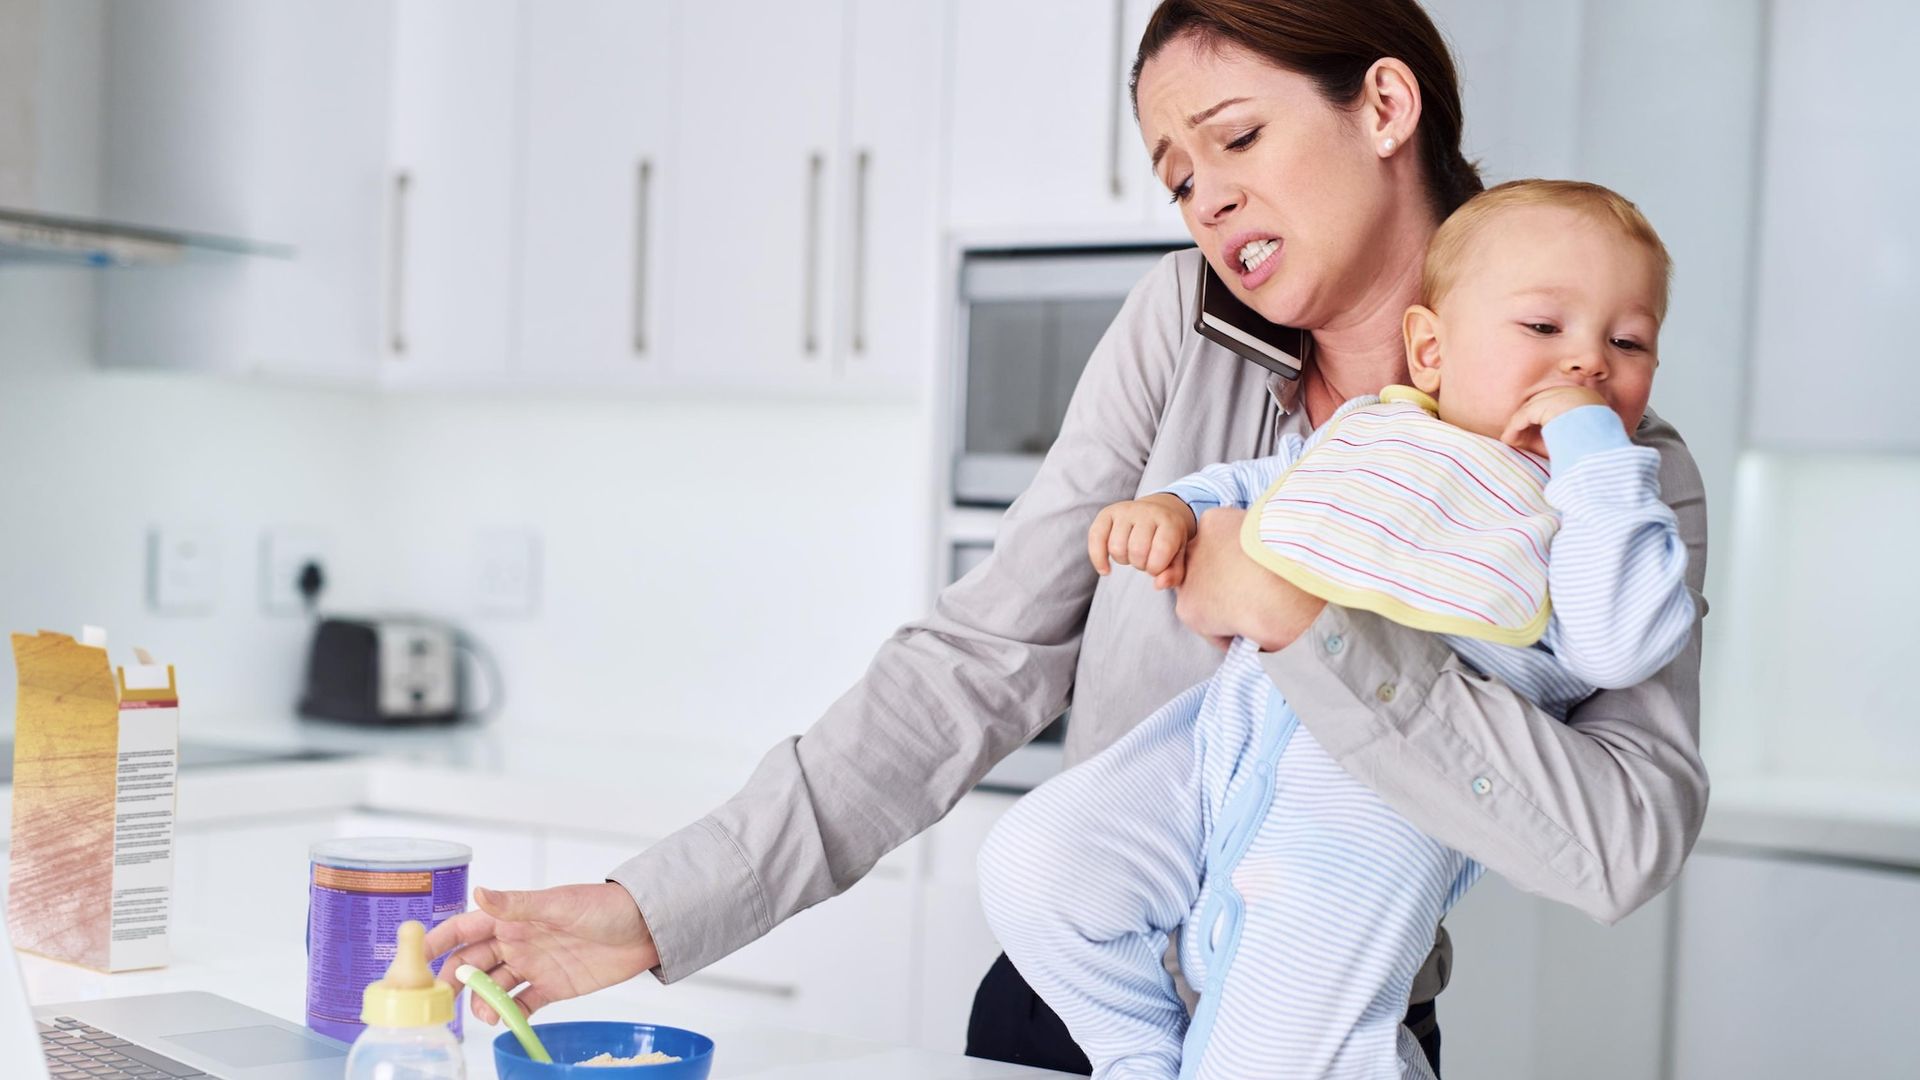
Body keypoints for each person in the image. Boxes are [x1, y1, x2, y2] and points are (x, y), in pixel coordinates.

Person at [423, 2, 1710, 1074]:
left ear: (1384, 107)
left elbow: (1620, 841)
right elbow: (976, 663)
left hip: (1326, 1026)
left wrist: (1307, 626)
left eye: (1238, 138)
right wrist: (659, 909)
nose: (1209, 202)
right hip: (1067, 1011)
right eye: (1181, 176)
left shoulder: (1616, 479)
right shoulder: (1183, 326)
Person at [976, 179, 1694, 1080]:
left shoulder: (1602, 507)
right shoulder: (1375, 431)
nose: (1586, 365)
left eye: (1627, 344)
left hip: (1373, 806)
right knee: (1035, 865)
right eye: (1545, 329)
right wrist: (1171, 507)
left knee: (1284, 1052)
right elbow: (1254, 491)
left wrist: (1597, 460)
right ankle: (1133, 1057)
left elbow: (1625, 640)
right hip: (1219, 746)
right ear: (1430, 349)